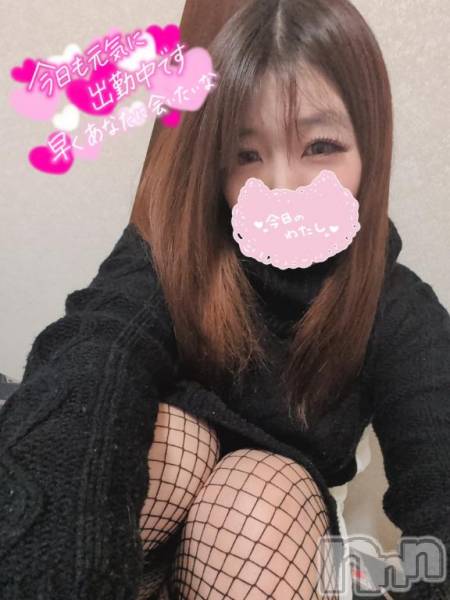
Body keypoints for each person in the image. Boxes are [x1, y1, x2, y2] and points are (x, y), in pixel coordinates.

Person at [1, 0, 449, 599]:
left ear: (371, 147)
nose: (282, 187)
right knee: (171, 441)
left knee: (258, 489)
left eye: (320, 146)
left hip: (276, 527)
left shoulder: (398, 308)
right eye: (247, 156)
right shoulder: (172, 249)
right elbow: (95, 355)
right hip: (152, 516)